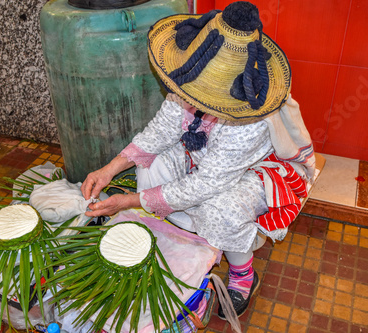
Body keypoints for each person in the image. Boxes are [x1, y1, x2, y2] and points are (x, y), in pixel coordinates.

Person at [81, 1, 315, 319]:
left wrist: (128, 202)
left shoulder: (250, 116)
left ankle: (243, 274)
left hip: (256, 169)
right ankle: (181, 239)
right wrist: (110, 169)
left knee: (221, 208)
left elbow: (209, 182)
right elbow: (160, 132)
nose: (190, 98)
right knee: (152, 165)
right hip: (204, 150)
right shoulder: (193, 74)